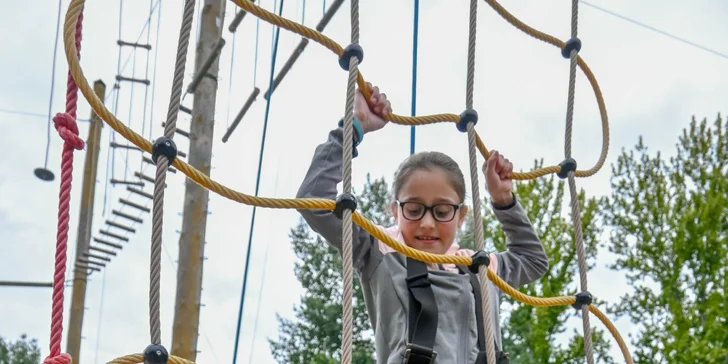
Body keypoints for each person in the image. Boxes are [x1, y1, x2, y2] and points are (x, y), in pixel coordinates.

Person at [296, 82, 548, 363]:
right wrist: (354, 127)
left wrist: (503, 200)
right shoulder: (380, 250)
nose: (427, 223)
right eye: (414, 210)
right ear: (395, 210)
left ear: (461, 216)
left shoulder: (477, 266)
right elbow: (313, 200)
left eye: (442, 212)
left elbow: (533, 260)